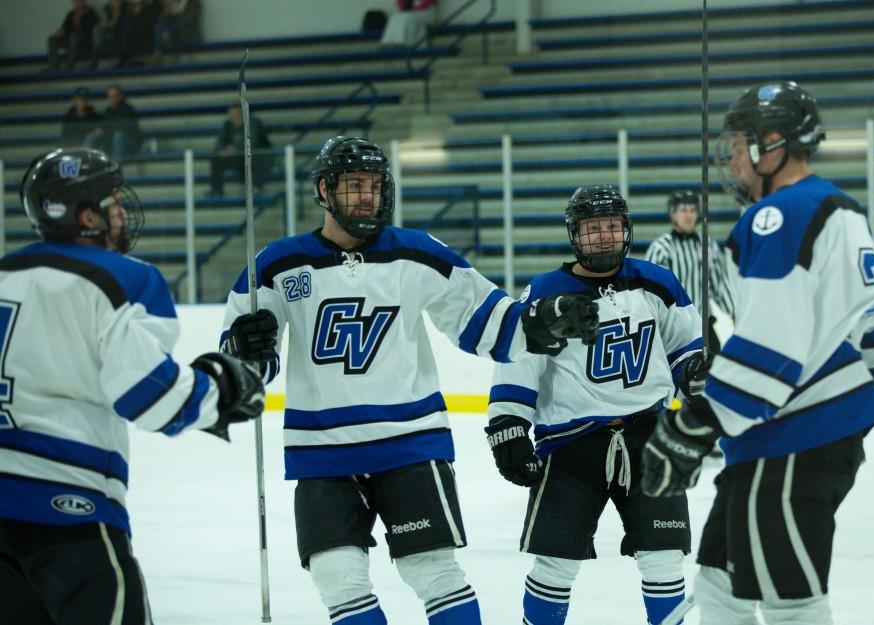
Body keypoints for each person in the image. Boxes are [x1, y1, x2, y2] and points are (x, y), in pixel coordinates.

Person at [218, 137, 600, 625]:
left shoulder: (417, 253)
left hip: (411, 446)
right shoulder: (277, 264)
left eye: (374, 187)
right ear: (324, 189)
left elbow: (486, 322)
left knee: (435, 572)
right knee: (337, 576)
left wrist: (544, 318)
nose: (366, 197)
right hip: (321, 452)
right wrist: (244, 351)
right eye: (354, 185)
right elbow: (245, 364)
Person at [641, 81, 874, 625]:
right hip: (788, 440)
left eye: (740, 144)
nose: (733, 159)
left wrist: (693, 427)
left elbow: (769, 348)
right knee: (719, 588)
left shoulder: (778, 216)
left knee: (790, 603)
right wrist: (851, 411)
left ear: (772, 144)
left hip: (788, 444)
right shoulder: (839, 210)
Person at [0, 147, 266, 624]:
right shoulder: (124, 278)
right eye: (112, 201)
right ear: (86, 216)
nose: (122, 211)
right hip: (68, 511)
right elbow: (152, 397)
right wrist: (225, 387)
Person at [486, 185, 708, 625]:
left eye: (611, 226)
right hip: (571, 445)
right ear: (574, 234)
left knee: (664, 559)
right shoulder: (547, 292)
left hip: (651, 438)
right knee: (555, 564)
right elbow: (518, 365)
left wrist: (696, 373)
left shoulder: (656, 281)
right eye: (593, 228)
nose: (604, 237)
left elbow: (685, 348)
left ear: (626, 230)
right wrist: (508, 426)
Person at [645, 189, 737, 353]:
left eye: (693, 210)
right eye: (683, 210)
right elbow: (651, 293)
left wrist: (736, 315)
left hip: (704, 325)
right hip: (674, 329)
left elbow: (720, 285)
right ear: (672, 214)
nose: (688, 216)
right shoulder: (661, 248)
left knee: (713, 370)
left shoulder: (707, 245)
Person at [207, 102, 272, 197]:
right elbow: (219, 144)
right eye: (233, 115)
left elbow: (252, 143)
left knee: (255, 157)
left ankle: (256, 187)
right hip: (238, 158)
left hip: (256, 157)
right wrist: (223, 150)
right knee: (216, 159)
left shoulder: (253, 123)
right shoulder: (227, 125)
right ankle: (217, 190)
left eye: (238, 115)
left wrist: (235, 148)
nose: (235, 117)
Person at [91, 85, 143, 162]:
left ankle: (116, 164)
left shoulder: (128, 110)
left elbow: (125, 129)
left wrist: (106, 130)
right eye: (109, 96)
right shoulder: (108, 111)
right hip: (112, 141)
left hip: (131, 144)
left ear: (120, 96)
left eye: (114, 96)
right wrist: (99, 130)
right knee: (91, 136)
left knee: (118, 136)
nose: (111, 98)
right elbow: (103, 126)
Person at [47, 0, 100, 72]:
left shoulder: (90, 14)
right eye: (76, 1)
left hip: (84, 41)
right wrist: (61, 32)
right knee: (51, 39)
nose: (78, 2)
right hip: (71, 40)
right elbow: (65, 27)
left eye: (80, 1)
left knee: (74, 37)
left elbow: (90, 31)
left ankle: (69, 66)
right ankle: (53, 67)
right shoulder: (71, 14)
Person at [90, 0, 134, 69]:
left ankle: (124, 57)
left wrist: (116, 9)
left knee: (126, 27)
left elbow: (115, 23)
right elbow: (105, 21)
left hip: (120, 30)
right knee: (97, 28)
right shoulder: (107, 7)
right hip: (111, 31)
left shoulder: (127, 6)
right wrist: (106, 25)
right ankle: (96, 53)